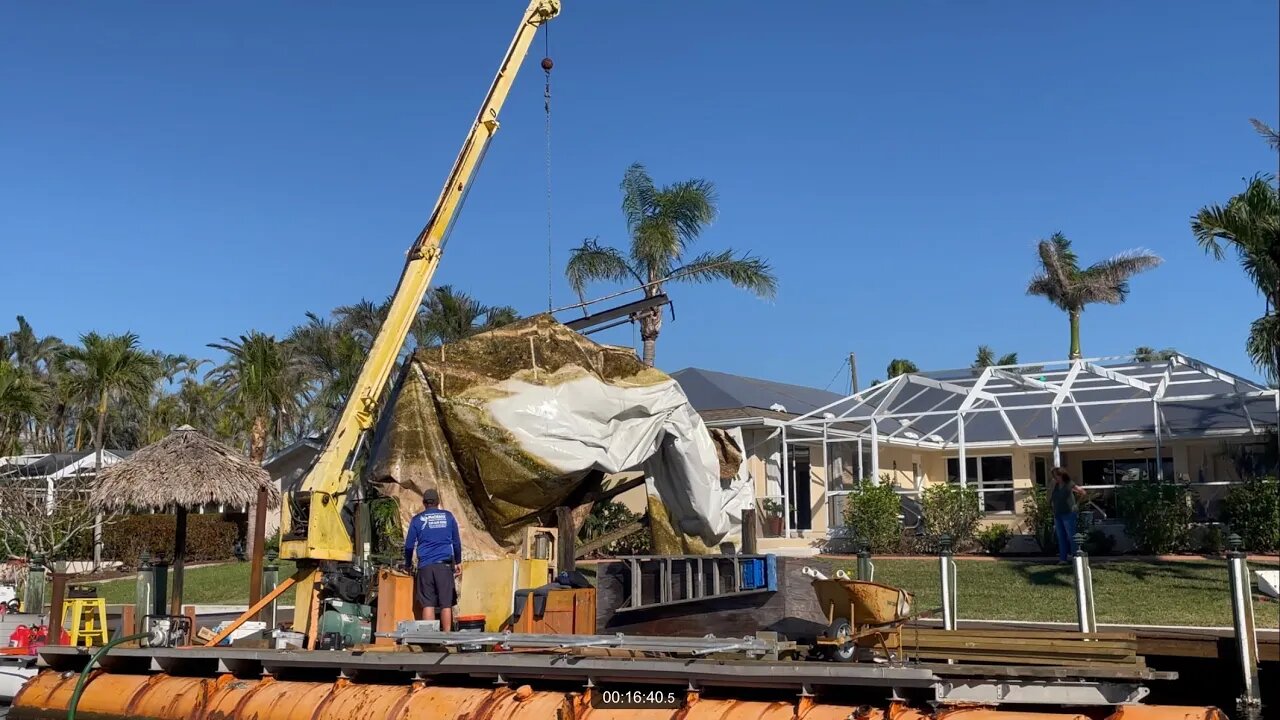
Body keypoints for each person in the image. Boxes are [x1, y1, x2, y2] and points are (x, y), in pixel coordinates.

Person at [403, 488, 463, 629]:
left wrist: (407, 564)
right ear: (438, 502)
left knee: (428, 604)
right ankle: (447, 637)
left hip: (425, 567)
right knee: (446, 603)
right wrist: (458, 561)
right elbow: (456, 542)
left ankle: (429, 638)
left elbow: (409, 546)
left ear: (424, 503)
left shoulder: (417, 520)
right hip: (444, 566)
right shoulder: (448, 517)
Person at [1049, 467, 1087, 564]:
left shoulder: (1069, 484)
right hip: (1058, 514)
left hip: (1068, 513)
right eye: (1053, 476)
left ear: (1061, 475)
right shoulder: (1056, 485)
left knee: (1071, 536)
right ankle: (1063, 559)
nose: (1055, 477)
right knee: (1061, 537)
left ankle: (1075, 557)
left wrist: (1077, 504)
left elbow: (1082, 492)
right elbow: (1052, 497)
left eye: (1056, 475)